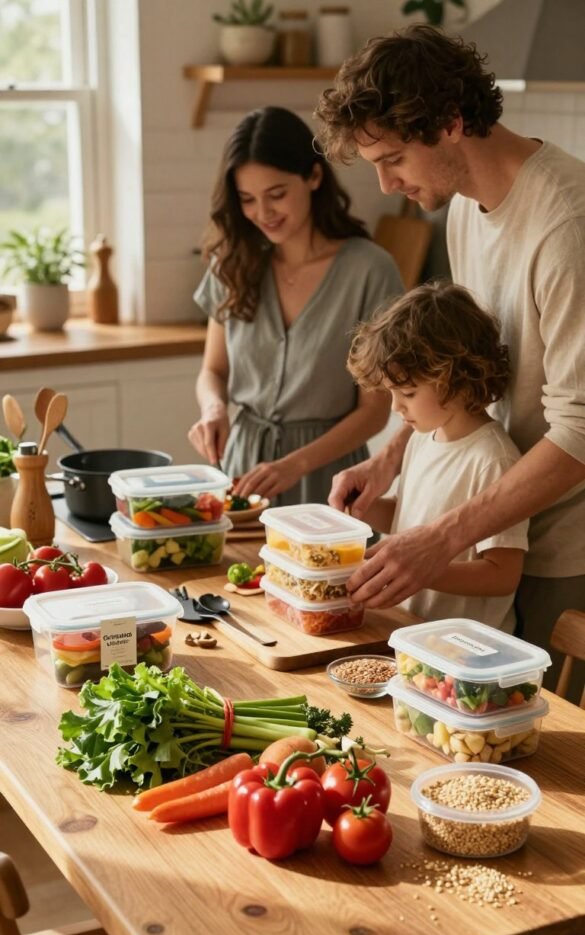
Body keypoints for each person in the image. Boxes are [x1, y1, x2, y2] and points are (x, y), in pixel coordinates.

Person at [314, 25, 585, 686]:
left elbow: (579, 431)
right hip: (495, 524)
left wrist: (440, 539)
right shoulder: (464, 205)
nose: (384, 184)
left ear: (452, 123)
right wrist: (388, 458)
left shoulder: (566, 224)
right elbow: (452, 362)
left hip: (561, 549)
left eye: (395, 158)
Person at [188, 105, 403, 506]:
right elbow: (213, 370)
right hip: (241, 473)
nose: (262, 213)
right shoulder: (231, 264)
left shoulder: (370, 271)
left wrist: (295, 465)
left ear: (314, 177)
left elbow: (375, 411)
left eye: (277, 194)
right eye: (247, 199)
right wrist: (214, 408)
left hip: (330, 477)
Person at [347, 281, 528, 631]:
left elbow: (502, 575)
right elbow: (408, 516)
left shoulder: (493, 459)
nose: (397, 407)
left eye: (409, 393)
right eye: (391, 393)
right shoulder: (422, 437)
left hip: (466, 650)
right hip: (412, 631)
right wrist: (363, 507)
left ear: (457, 377)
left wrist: (422, 570)